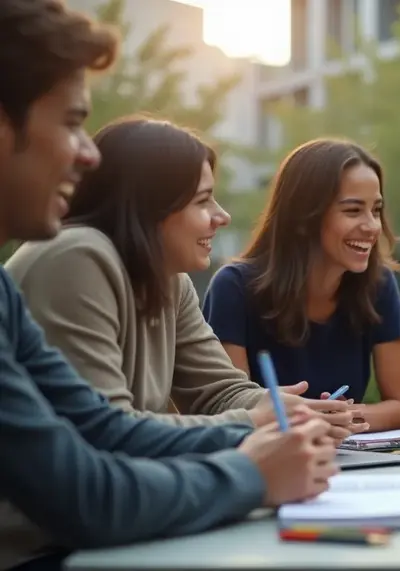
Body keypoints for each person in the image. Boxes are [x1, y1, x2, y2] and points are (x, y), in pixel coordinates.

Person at [0, 1, 336, 570]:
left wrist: (271, 429)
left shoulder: (162, 280)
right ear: (151, 208)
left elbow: (102, 426)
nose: (88, 154)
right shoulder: (77, 256)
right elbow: (86, 488)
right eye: (71, 122)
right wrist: (252, 465)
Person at [5, 117, 358, 435]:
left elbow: (219, 391)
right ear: (149, 206)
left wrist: (284, 410)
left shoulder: (170, 279)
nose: (222, 217)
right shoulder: (76, 259)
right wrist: (256, 422)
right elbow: (106, 430)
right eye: (202, 201)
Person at [203, 138, 400, 432]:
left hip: (348, 461)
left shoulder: (377, 284)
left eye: (376, 210)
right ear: (304, 217)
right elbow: (230, 409)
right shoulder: (234, 288)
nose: (372, 226)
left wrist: (338, 419)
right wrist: (308, 421)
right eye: (353, 211)